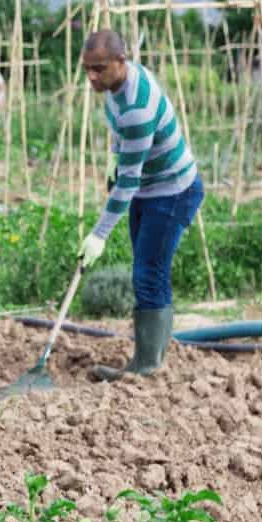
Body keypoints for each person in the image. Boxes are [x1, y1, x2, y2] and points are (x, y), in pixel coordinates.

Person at [78, 29, 204, 380]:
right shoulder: (115, 86)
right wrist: (113, 161)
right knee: (148, 270)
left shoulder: (137, 105)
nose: (91, 76)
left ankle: (147, 368)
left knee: (148, 274)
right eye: (86, 68)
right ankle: (151, 359)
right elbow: (119, 139)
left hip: (172, 191)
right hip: (151, 188)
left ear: (121, 62)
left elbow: (128, 182)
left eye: (98, 68)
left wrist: (99, 234)